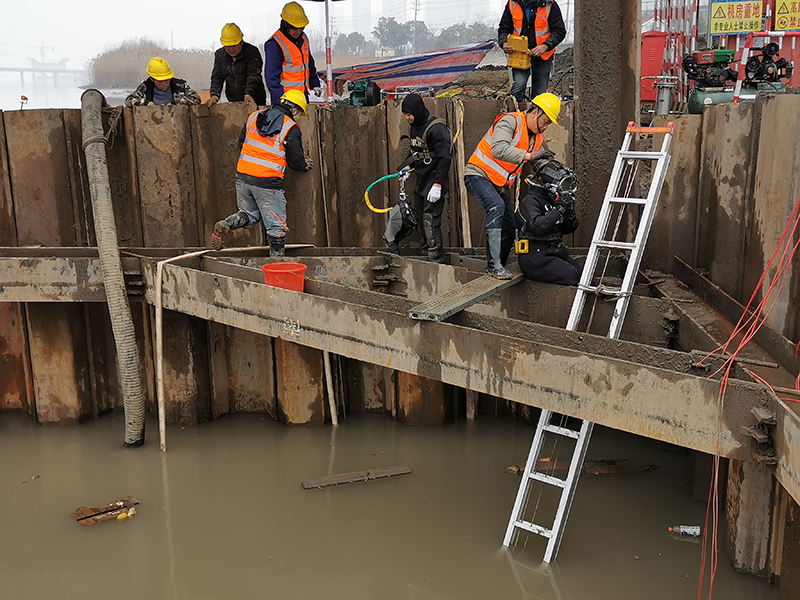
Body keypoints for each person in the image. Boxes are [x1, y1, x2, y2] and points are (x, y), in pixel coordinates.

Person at [464, 92, 561, 279]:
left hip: (497, 183)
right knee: (496, 207)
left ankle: (498, 264)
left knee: (510, 223)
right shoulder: (510, 122)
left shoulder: (537, 137)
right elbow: (498, 149)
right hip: (477, 174)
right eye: (546, 121)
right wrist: (531, 156)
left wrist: (555, 174)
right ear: (535, 112)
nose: (546, 126)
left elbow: (539, 164)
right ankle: (494, 266)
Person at [210, 89, 313, 257]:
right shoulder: (290, 127)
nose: (299, 117)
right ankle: (276, 264)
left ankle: (226, 224)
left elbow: (240, 143)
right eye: (300, 113)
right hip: (267, 183)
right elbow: (295, 161)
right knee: (276, 228)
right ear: (294, 110)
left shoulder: (254, 116)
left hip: (243, 178)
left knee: (249, 215)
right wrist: (304, 165)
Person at [384, 94, 453, 263]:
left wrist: (438, 184)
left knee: (430, 222)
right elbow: (416, 151)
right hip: (421, 182)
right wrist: (408, 167)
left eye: (409, 114)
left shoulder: (437, 129)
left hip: (434, 183)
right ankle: (425, 256)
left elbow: (445, 158)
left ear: (417, 110)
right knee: (421, 221)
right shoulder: (415, 126)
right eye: (405, 115)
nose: (407, 118)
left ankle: (436, 260)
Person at [515, 160, 580, 285]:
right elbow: (537, 227)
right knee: (575, 277)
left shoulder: (553, 199)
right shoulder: (530, 200)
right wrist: (559, 209)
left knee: (585, 276)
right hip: (535, 258)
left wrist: (567, 212)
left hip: (555, 252)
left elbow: (569, 229)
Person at [498, 0, 566, 101]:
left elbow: (559, 31)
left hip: (543, 56)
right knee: (518, 87)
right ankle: (516, 114)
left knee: (539, 93)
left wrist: (545, 46)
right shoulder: (513, 3)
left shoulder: (549, 4)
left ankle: (534, 115)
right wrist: (504, 43)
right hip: (519, 56)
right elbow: (503, 29)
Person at [264, 2, 322, 104]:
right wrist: (281, 99)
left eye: (301, 28)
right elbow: (271, 78)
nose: (299, 31)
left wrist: (315, 83)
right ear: (286, 25)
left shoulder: (303, 39)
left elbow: (309, 64)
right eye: (295, 28)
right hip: (285, 99)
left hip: (302, 97)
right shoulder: (275, 44)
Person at [208, 23, 267, 107]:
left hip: (255, 99)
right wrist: (214, 95)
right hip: (233, 100)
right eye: (227, 46)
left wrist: (248, 94)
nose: (231, 49)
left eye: (234, 45)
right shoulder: (220, 55)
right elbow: (217, 77)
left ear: (241, 42)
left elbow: (253, 75)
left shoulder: (252, 52)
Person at [125, 57, 201, 107]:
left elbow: (196, 99)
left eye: (167, 79)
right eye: (160, 81)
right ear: (152, 79)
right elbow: (129, 100)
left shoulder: (179, 86)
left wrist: (175, 103)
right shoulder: (145, 87)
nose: (164, 84)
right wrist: (147, 104)